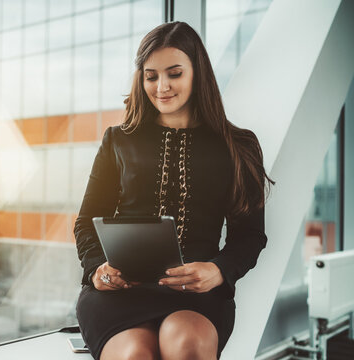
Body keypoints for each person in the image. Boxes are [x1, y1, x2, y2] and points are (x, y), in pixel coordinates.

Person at [74, 21, 275, 360]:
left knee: (186, 347)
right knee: (134, 354)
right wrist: (97, 270)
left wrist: (218, 270)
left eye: (174, 73)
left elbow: (250, 236)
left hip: (199, 295)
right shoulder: (117, 140)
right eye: (151, 76)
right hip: (119, 294)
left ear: (198, 73)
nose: (162, 86)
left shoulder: (239, 145)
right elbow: (85, 222)